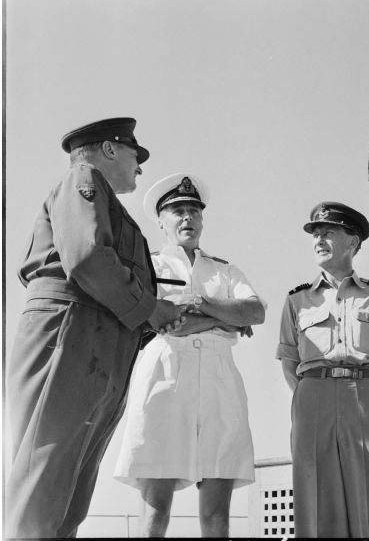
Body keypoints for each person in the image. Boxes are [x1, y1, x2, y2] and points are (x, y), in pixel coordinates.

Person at [6, 117, 186, 538]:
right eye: (134, 155)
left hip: (98, 340)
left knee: (68, 496)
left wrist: (158, 312)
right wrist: (151, 309)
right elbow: (87, 259)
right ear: (108, 150)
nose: (139, 167)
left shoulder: (106, 201)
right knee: (43, 483)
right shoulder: (83, 179)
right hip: (70, 332)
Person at [114, 173, 266, 537]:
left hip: (219, 384)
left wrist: (200, 303)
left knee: (216, 515)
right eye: (178, 211)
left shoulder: (224, 269)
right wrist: (224, 320)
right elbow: (173, 327)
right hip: (164, 378)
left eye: (194, 211)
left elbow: (254, 311)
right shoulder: (147, 267)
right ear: (162, 221)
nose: (188, 218)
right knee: (156, 510)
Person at [276, 201, 369, 538]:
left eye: (328, 233)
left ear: (353, 242)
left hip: (365, 393)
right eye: (316, 234)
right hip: (313, 394)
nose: (319, 239)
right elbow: (289, 361)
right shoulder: (297, 300)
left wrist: (367, 389)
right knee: (315, 488)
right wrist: (314, 391)